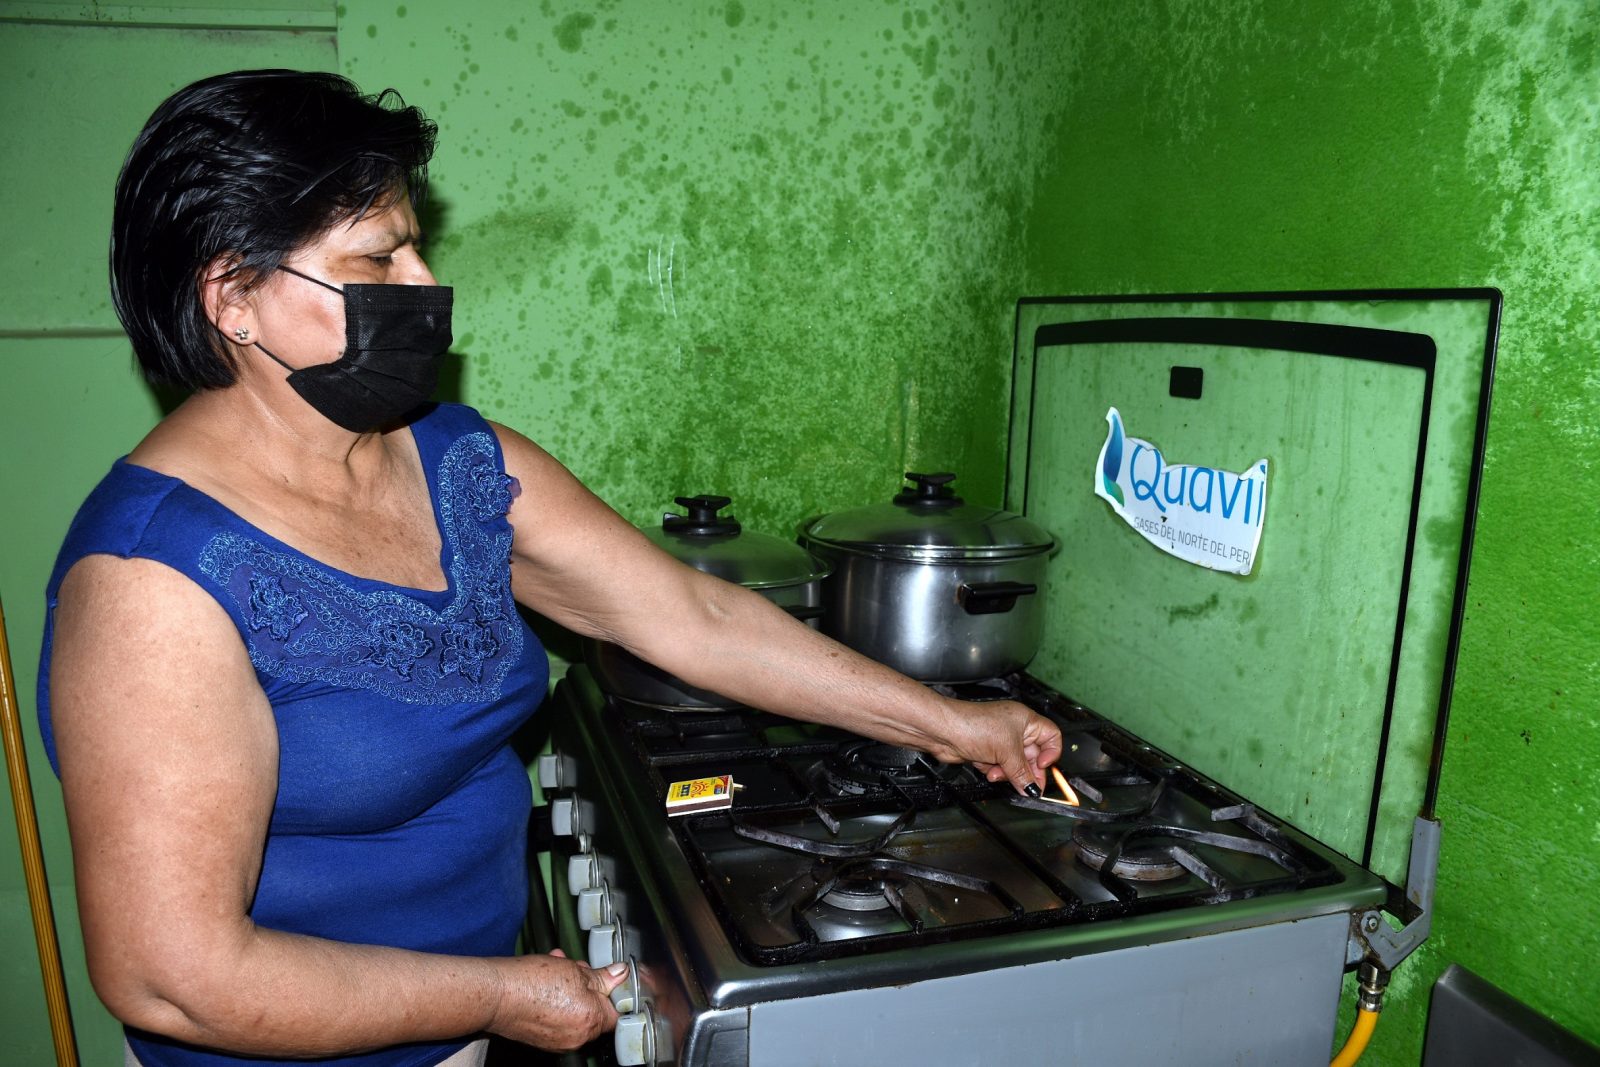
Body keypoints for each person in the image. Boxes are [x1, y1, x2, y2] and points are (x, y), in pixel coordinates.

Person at [38, 69, 1063, 1067]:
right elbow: (174, 977)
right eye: (378, 259)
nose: (424, 285)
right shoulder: (151, 581)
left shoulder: (457, 461)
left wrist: (952, 723)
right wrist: (498, 994)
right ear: (234, 297)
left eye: (417, 248)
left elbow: (696, 617)